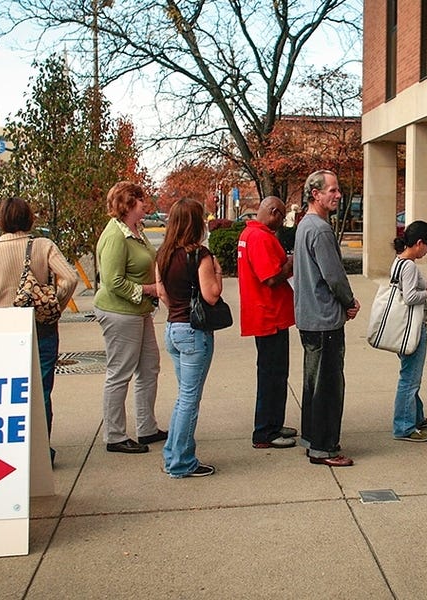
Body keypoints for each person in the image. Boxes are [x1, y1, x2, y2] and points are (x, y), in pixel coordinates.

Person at [0, 197, 77, 464]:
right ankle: (40, 452)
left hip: (5, 328)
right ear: (29, 218)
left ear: (1, 220)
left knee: (10, 393)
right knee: (42, 390)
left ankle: (13, 450)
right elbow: (70, 277)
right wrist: (54, 303)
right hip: (41, 325)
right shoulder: (43, 246)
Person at [294, 170, 360, 467]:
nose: (337, 195)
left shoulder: (305, 226)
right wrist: (349, 301)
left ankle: (312, 438)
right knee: (329, 387)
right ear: (315, 194)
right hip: (324, 319)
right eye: (331, 190)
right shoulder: (319, 229)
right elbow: (333, 276)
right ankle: (323, 448)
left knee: (313, 383)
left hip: (310, 318)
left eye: (337, 190)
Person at [94, 182, 166, 454]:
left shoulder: (136, 231)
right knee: (120, 372)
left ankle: (146, 427)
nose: (145, 204)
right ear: (127, 204)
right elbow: (113, 282)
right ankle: (114, 435)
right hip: (119, 312)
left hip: (139, 311)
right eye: (140, 200)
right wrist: (150, 289)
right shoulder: (115, 235)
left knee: (149, 367)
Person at [155, 198, 224, 478]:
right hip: (194, 332)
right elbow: (212, 295)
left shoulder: (163, 254)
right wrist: (218, 272)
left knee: (184, 396)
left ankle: (174, 452)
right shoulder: (200, 256)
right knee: (189, 399)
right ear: (196, 223)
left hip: (173, 328)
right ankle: (180, 461)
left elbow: (161, 294)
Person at [237, 196, 298, 449]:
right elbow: (271, 278)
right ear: (272, 211)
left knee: (272, 373)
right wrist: (291, 264)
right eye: (281, 217)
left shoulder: (249, 233)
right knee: (272, 374)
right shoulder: (261, 238)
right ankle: (265, 432)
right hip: (268, 315)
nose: (282, 223)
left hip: (263, 314)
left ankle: (272, 422)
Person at [390, 221, 427, 442]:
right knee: (410, 378)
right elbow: (410, 297)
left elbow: (405, 288)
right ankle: (404, 426)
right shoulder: (409, 265)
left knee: (411, 374)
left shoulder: (399, 262)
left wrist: (425, 284)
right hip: (413, 328)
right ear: (419, 243)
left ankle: (416, 416)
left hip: (403, 328)